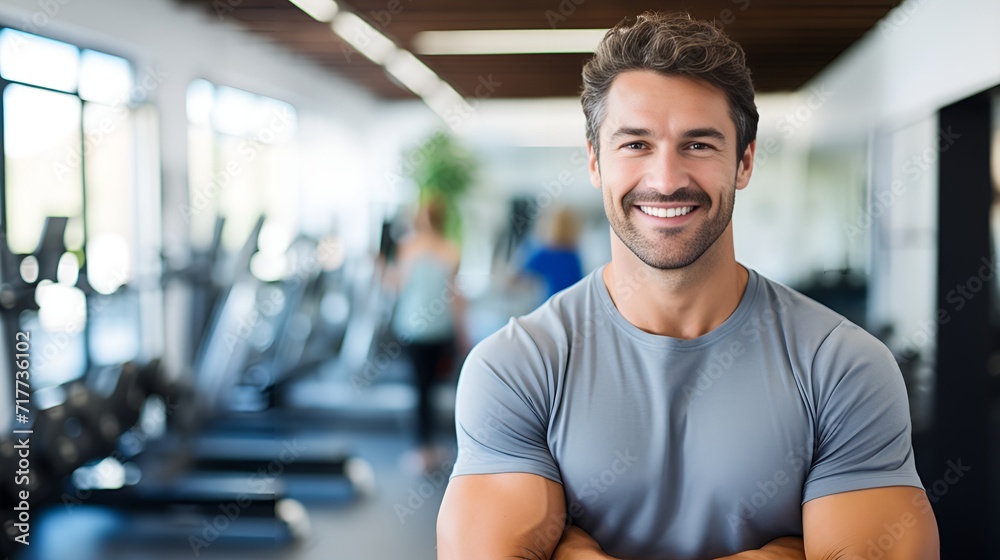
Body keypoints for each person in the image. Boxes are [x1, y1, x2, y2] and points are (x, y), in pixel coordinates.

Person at [437, 11, 938, 560]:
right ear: (594, 161)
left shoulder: (843, 367)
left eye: (699, 145)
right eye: (636, 145)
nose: (667, 178)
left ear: (743, 161)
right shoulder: (516, 368)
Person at [388, 198, 465, 472]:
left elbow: (396, 287)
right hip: (439, 329)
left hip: (413, 329)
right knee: (430, 389)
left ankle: (422, 450)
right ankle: (429, 448)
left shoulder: (409, 248)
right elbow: (455, 296)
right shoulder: (451, 250)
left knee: (419, 390)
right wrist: (462, 333)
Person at [520, 207, 585, 300]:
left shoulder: (546, 253)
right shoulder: (574, 256)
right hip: (572, 304)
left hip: (552, 304)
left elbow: (518, 275)